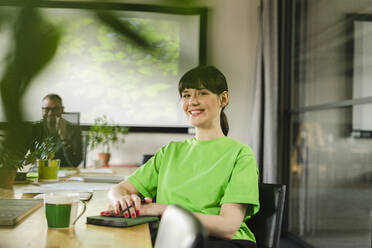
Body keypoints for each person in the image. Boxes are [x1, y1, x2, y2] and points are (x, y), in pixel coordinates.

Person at [108, 66, 260, 248]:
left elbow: (228, 227)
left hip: (221, 242)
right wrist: (123, 201)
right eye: (186, 95)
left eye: (202, 93)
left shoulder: (241, 154)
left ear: (223, 99)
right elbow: (118, 190)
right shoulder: (169, 152)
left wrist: (163, 210)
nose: (193, 101)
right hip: (172, 238)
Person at [30, 94, 82, 167]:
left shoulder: (73, 130)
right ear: (42, 110)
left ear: (62, 109)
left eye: (55, 109)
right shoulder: (35, 129)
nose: (51, 113)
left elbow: (75, 163)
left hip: (65, 174)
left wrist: (64, 138)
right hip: (40, 172)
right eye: (47, 109)